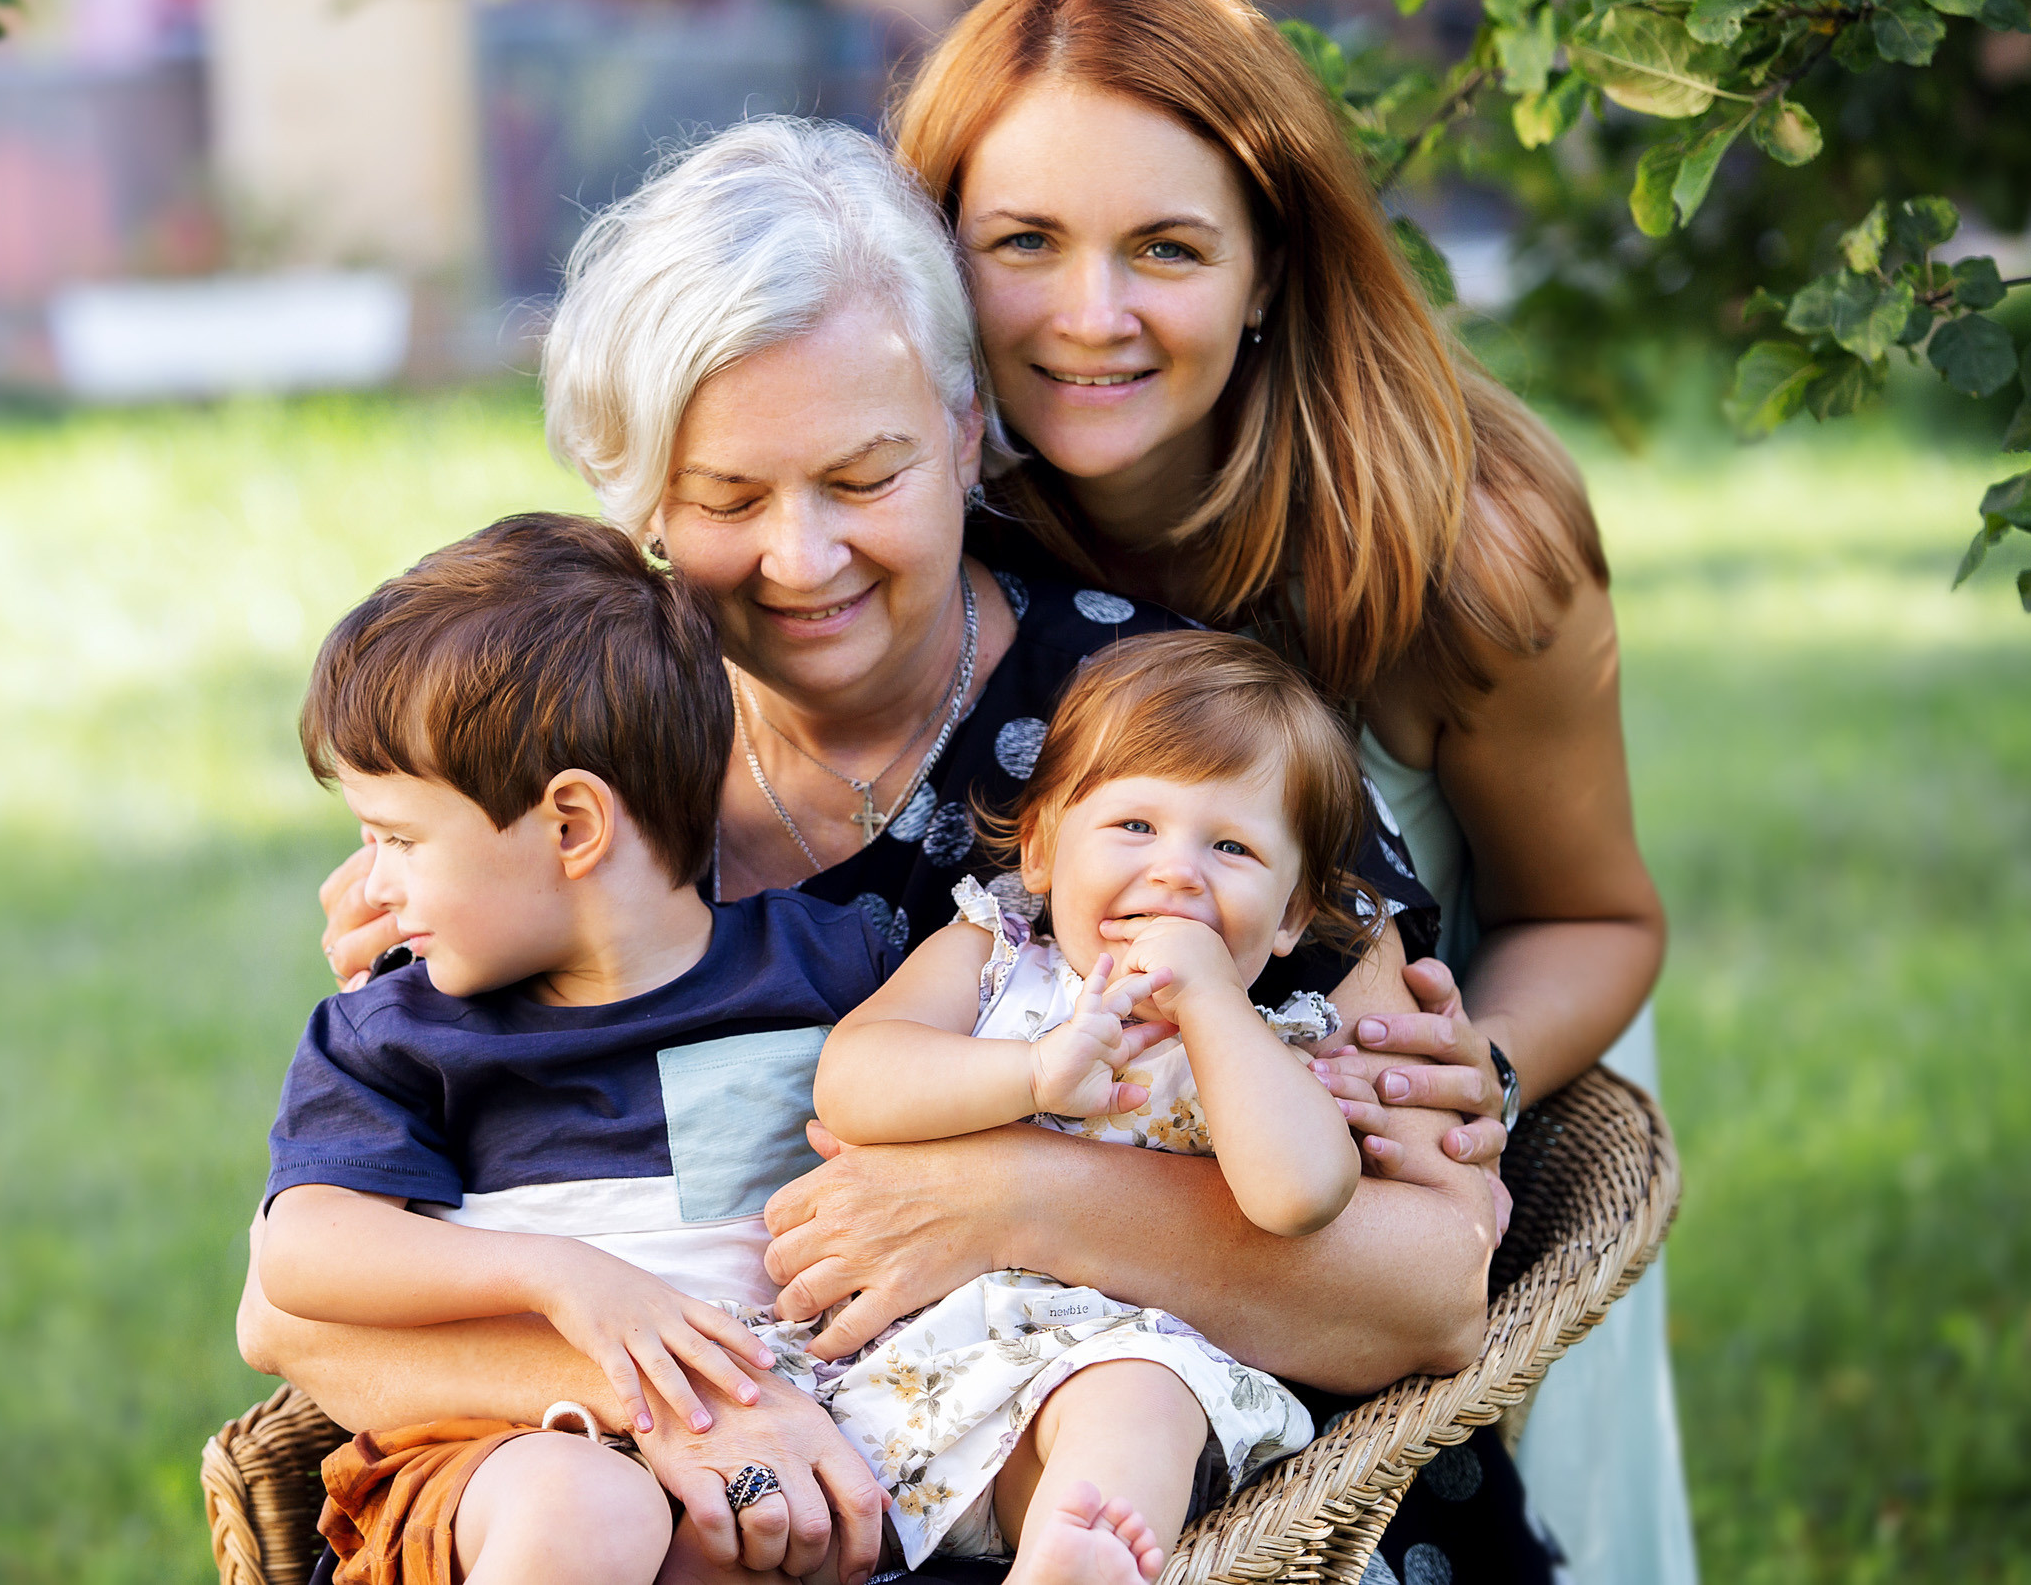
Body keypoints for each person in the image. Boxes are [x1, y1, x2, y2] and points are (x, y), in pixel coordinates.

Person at [255, 118, 1506, 1585]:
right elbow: (301, 1317)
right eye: (726, 498)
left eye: (866, 477)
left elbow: (1426, 1293)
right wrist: (703, 1408)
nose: (802, 557)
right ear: (639, 493)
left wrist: (1018, 1196)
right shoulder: (555, 801)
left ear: (968, 430)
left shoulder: (1166, 751)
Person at [887, 0, 1688, 1582]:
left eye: (1166, 248)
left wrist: (1481, 1071)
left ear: (1270, 266)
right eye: (1021, 242)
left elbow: (1594, 917)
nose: (1085, 316)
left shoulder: (1461, 545)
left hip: (1359, 1175)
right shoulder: (912, 512)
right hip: (1024, 1214)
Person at [258, 512, 893, 1584]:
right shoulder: (399, 1029)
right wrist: (560, 1275)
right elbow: (300, 1250)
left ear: (570, 826)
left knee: (797, 1532)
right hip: (494, 1457)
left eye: (400, 840)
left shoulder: (827, 968)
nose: (371, 886)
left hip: (769, 1444)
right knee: (585, 1506)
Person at [808, 631, 1375, 1572]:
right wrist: (1029, 1072)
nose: (1177, 872)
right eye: (1135, 827)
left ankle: (1080, 1556)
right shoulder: (993, 960)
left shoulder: (1267, 1046)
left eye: (1230, 845)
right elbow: (853, 1079)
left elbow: (1302, 1194)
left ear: (1288, 917)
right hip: (888, 1374)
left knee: (1141, 1399)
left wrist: (1211, 1004)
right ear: (1040, 849)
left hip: (1085, 1391)